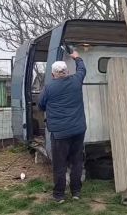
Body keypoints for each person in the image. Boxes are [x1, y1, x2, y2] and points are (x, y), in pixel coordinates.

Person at [38, 51, 86, 203]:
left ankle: (59, 195)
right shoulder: (76, 80)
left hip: (59, 134)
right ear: (67, 72)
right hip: (78, 130)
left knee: (60, 164)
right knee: (77, 162)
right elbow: (82, 69)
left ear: (53, 74)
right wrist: (76, 57)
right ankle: (76, 192)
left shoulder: (48, 88)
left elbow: (41, 105)